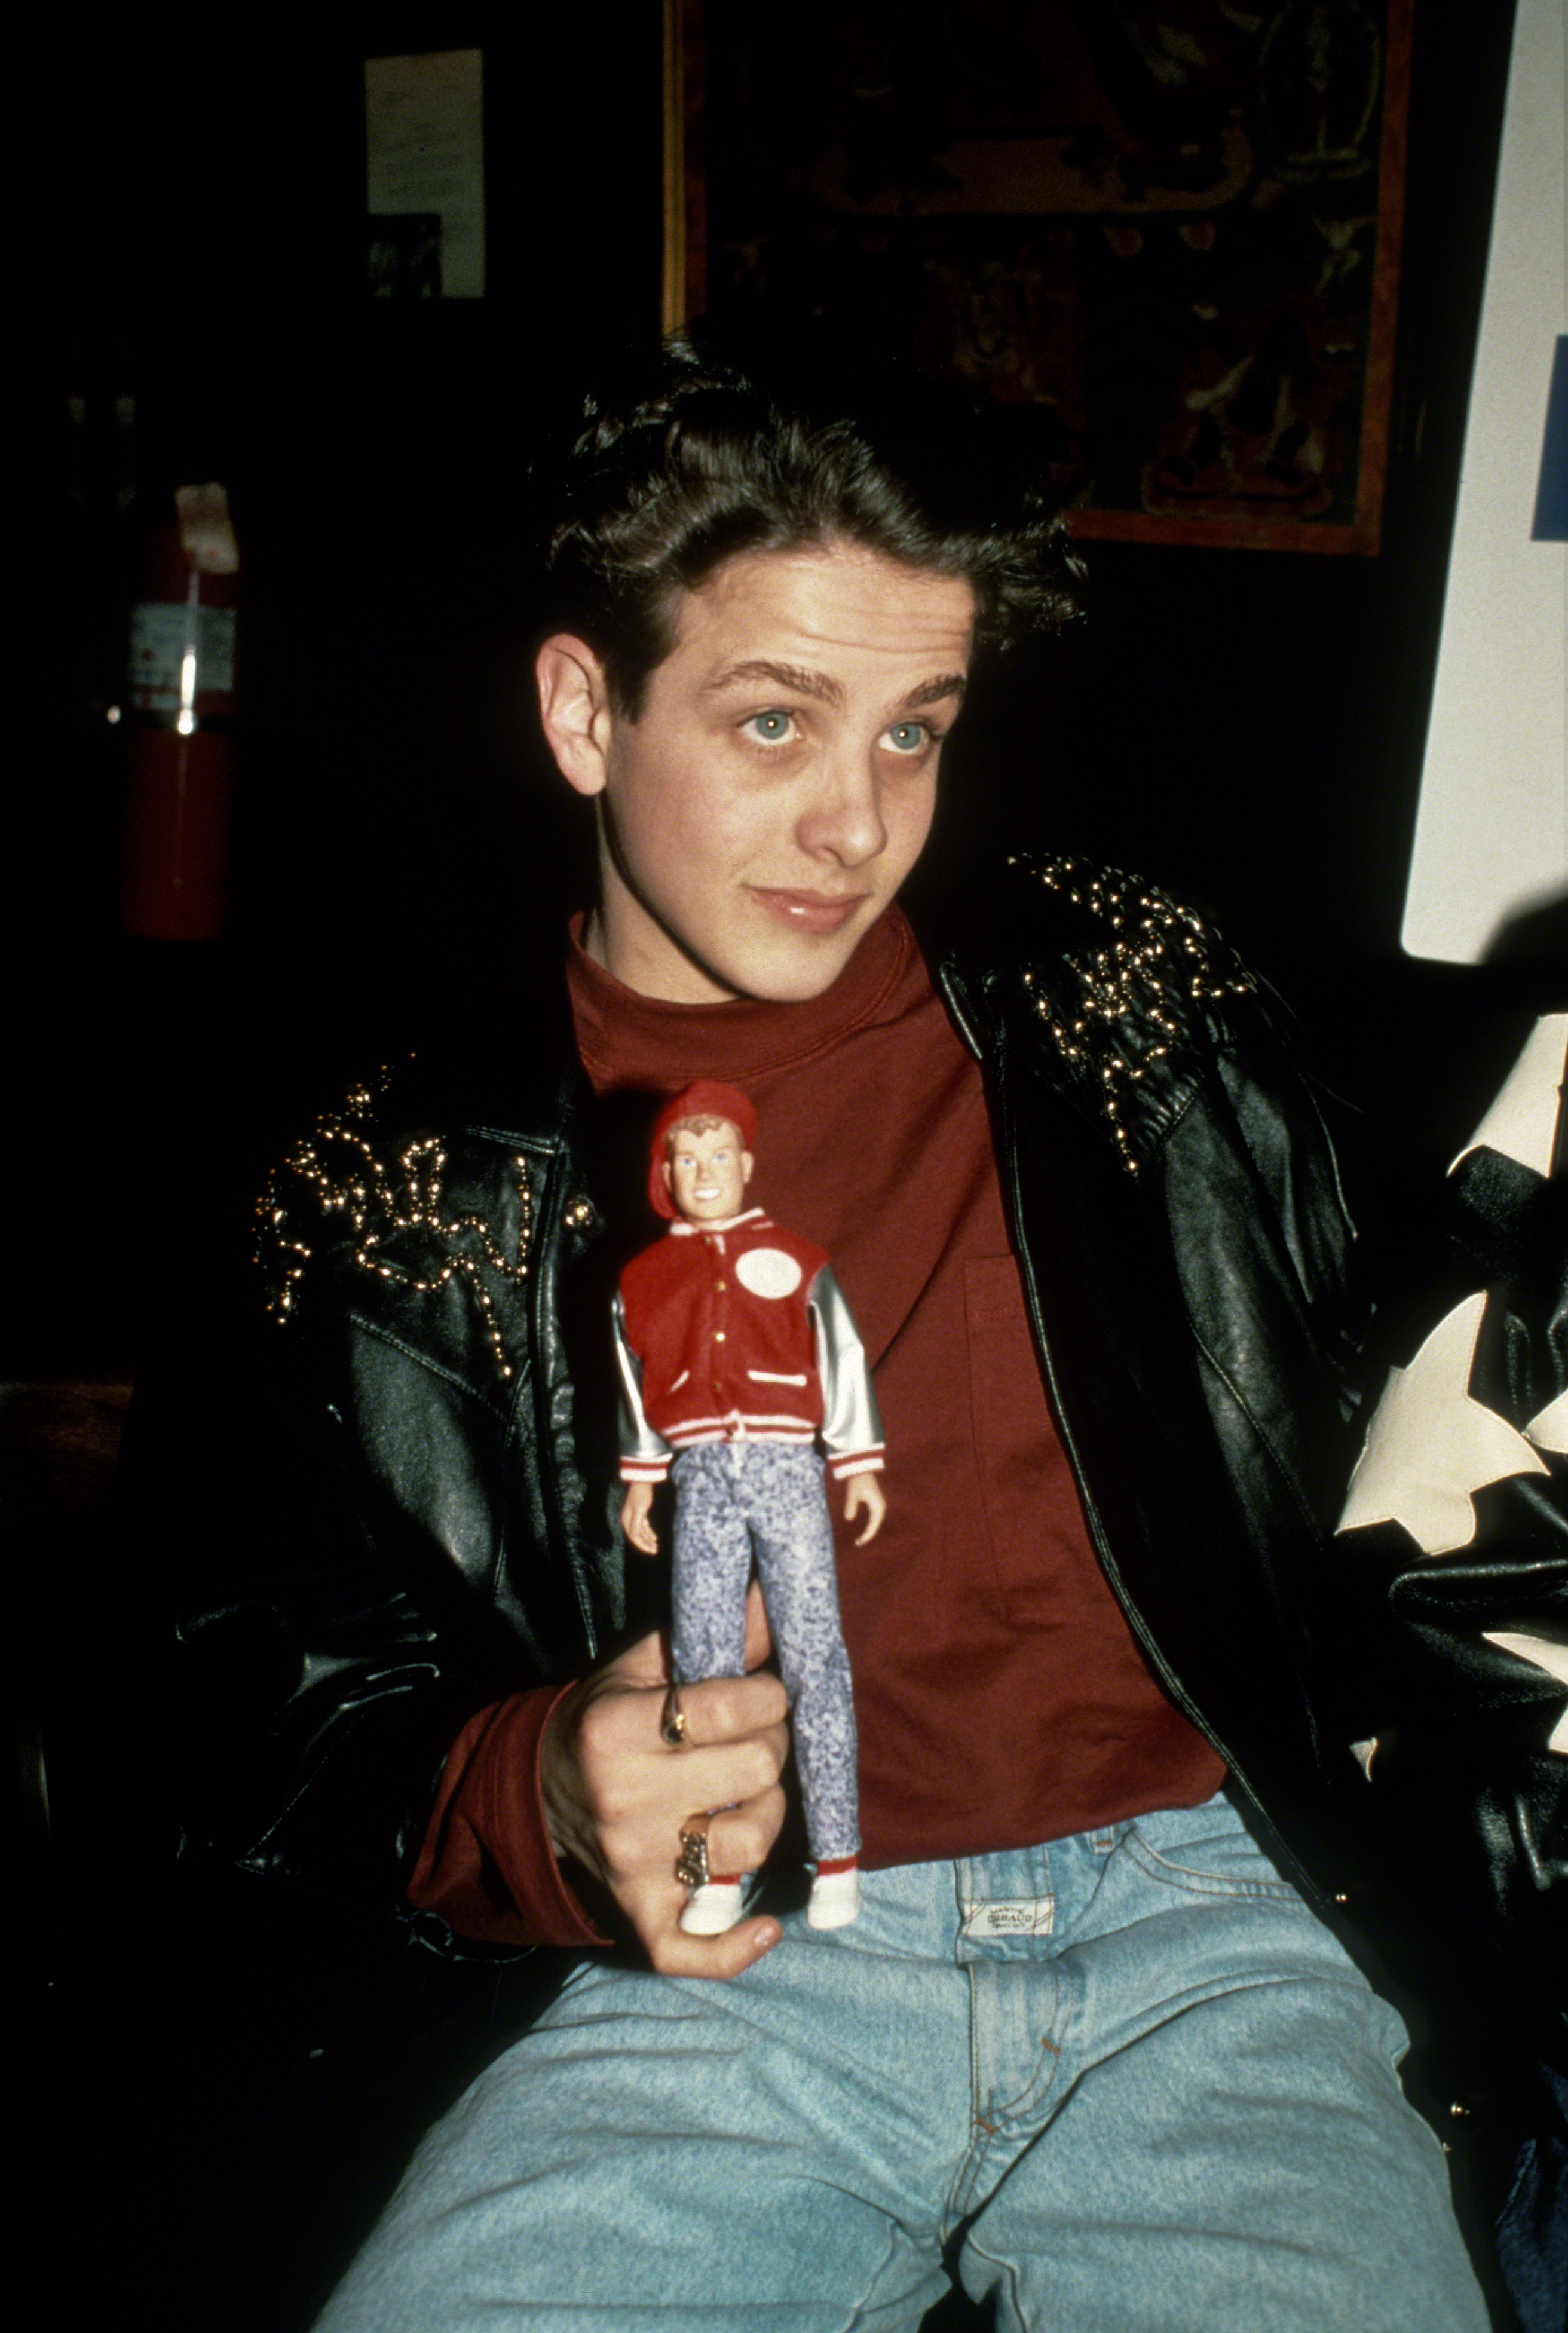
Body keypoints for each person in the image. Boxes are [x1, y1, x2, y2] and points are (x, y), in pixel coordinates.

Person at [148, 337, 1554, 2330]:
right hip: (738, 1965)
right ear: (580, 709)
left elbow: (1453, 1231)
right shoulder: (386, 1194)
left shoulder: (1129, 1013)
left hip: (1223, 1928)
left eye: (911, 731)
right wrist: (544, 1785)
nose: (850, 823)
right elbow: (249, 1729)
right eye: (773, 720)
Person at [615, 1079, 884, 1934]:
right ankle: (710, 1873)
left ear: (748, 1163)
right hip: (700, 1476)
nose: (702, 1170)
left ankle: (838, 1858)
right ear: (665, 1169)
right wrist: (641, 1478)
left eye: (718, 1153)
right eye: (685, 1157)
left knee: (815, 1655)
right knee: (701, 1673)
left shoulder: (798, 1259)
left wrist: (859, 1461)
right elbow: (633, 1385)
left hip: (786, 1467)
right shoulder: (643, 1277)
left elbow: (841, 1356)